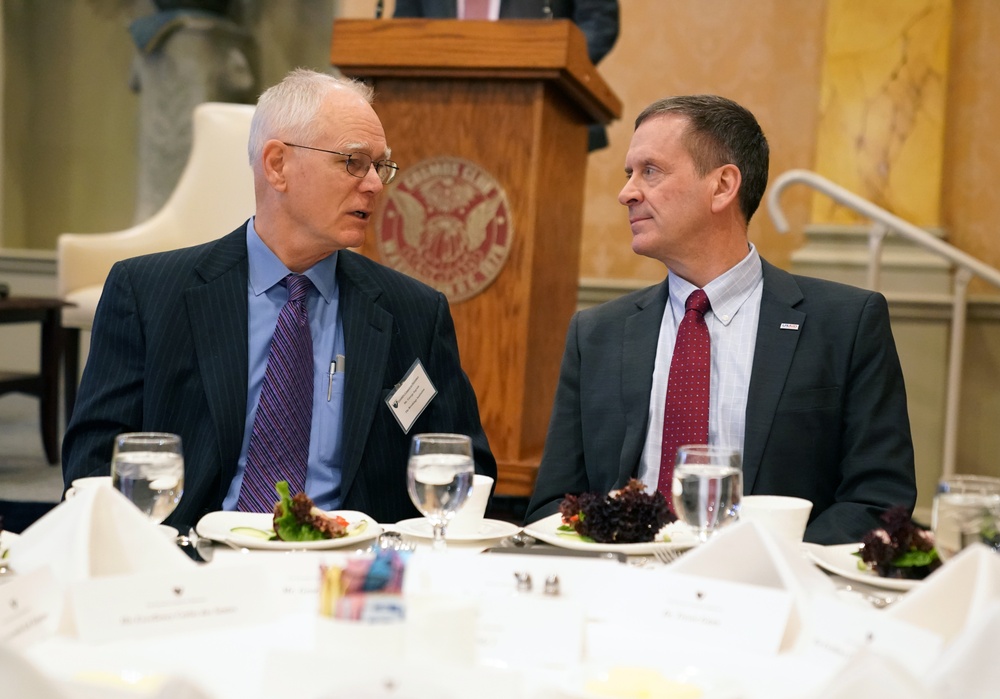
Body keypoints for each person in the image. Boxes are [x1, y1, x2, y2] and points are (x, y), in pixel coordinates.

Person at [62, 68, 497, 530]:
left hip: (347, 570)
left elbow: (466, 470)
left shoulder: (413, 312)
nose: (374, 183)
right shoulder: (149, 294)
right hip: (198, 565)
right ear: (277, 165)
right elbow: (93, 466)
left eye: (379, 165)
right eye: (353, 161)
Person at [524, 95, 917, 545]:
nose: (627, 192)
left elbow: (880, 499)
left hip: (774, 591)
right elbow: (555, 502)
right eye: (629, 174)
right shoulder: (596, 334)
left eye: (649, 171)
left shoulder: (845, 325)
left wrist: (768, 564)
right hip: (622, 586)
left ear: (723, 185)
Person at [392, 0, 619, 151]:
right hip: (430, 115)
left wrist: (555, 64)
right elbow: (404, 30)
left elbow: (599, 21)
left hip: (541, 113)